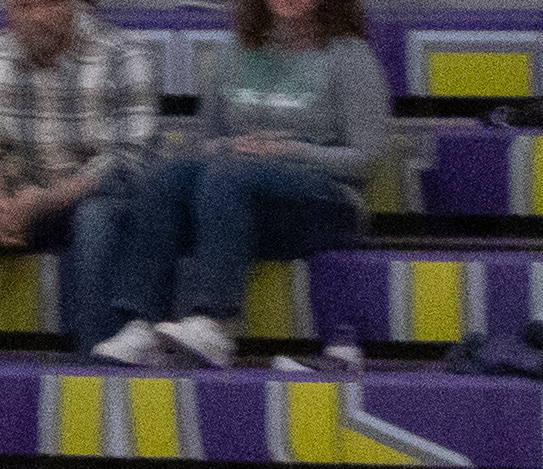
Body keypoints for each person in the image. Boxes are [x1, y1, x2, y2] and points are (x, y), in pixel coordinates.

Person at [95, 0, 389, 370]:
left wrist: (287, 150)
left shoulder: (348, 55)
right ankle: (143, 324)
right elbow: (204, 141)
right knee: (171, 173)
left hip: (325, 205)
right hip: (238, 201)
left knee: (227, 173)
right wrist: (229, 145)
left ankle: (214, 323)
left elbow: (366, 157)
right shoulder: (237, 49)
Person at [0, 0, 160, 364]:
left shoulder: (124, 55)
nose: (37, 16)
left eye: (49, 3)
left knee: (97, 222)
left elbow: (128, 159)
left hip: (95, 199)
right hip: (16, 198)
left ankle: (100, 372)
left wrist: (43, 200)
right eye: (25, 5)